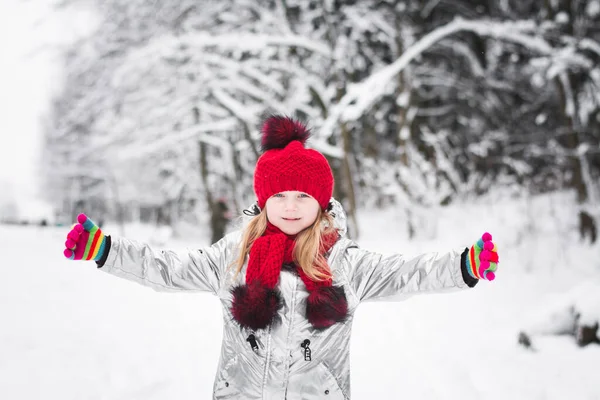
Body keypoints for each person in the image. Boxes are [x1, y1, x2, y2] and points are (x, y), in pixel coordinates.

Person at [63, 115, 499, 400]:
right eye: (280, 195)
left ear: (322, 202)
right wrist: (105, 249)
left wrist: (464, 265)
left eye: (303, 195)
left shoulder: (345, 263)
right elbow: (166, 269)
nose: (290, 206)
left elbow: (408, 275)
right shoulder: (233, 256)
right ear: (264, 200)